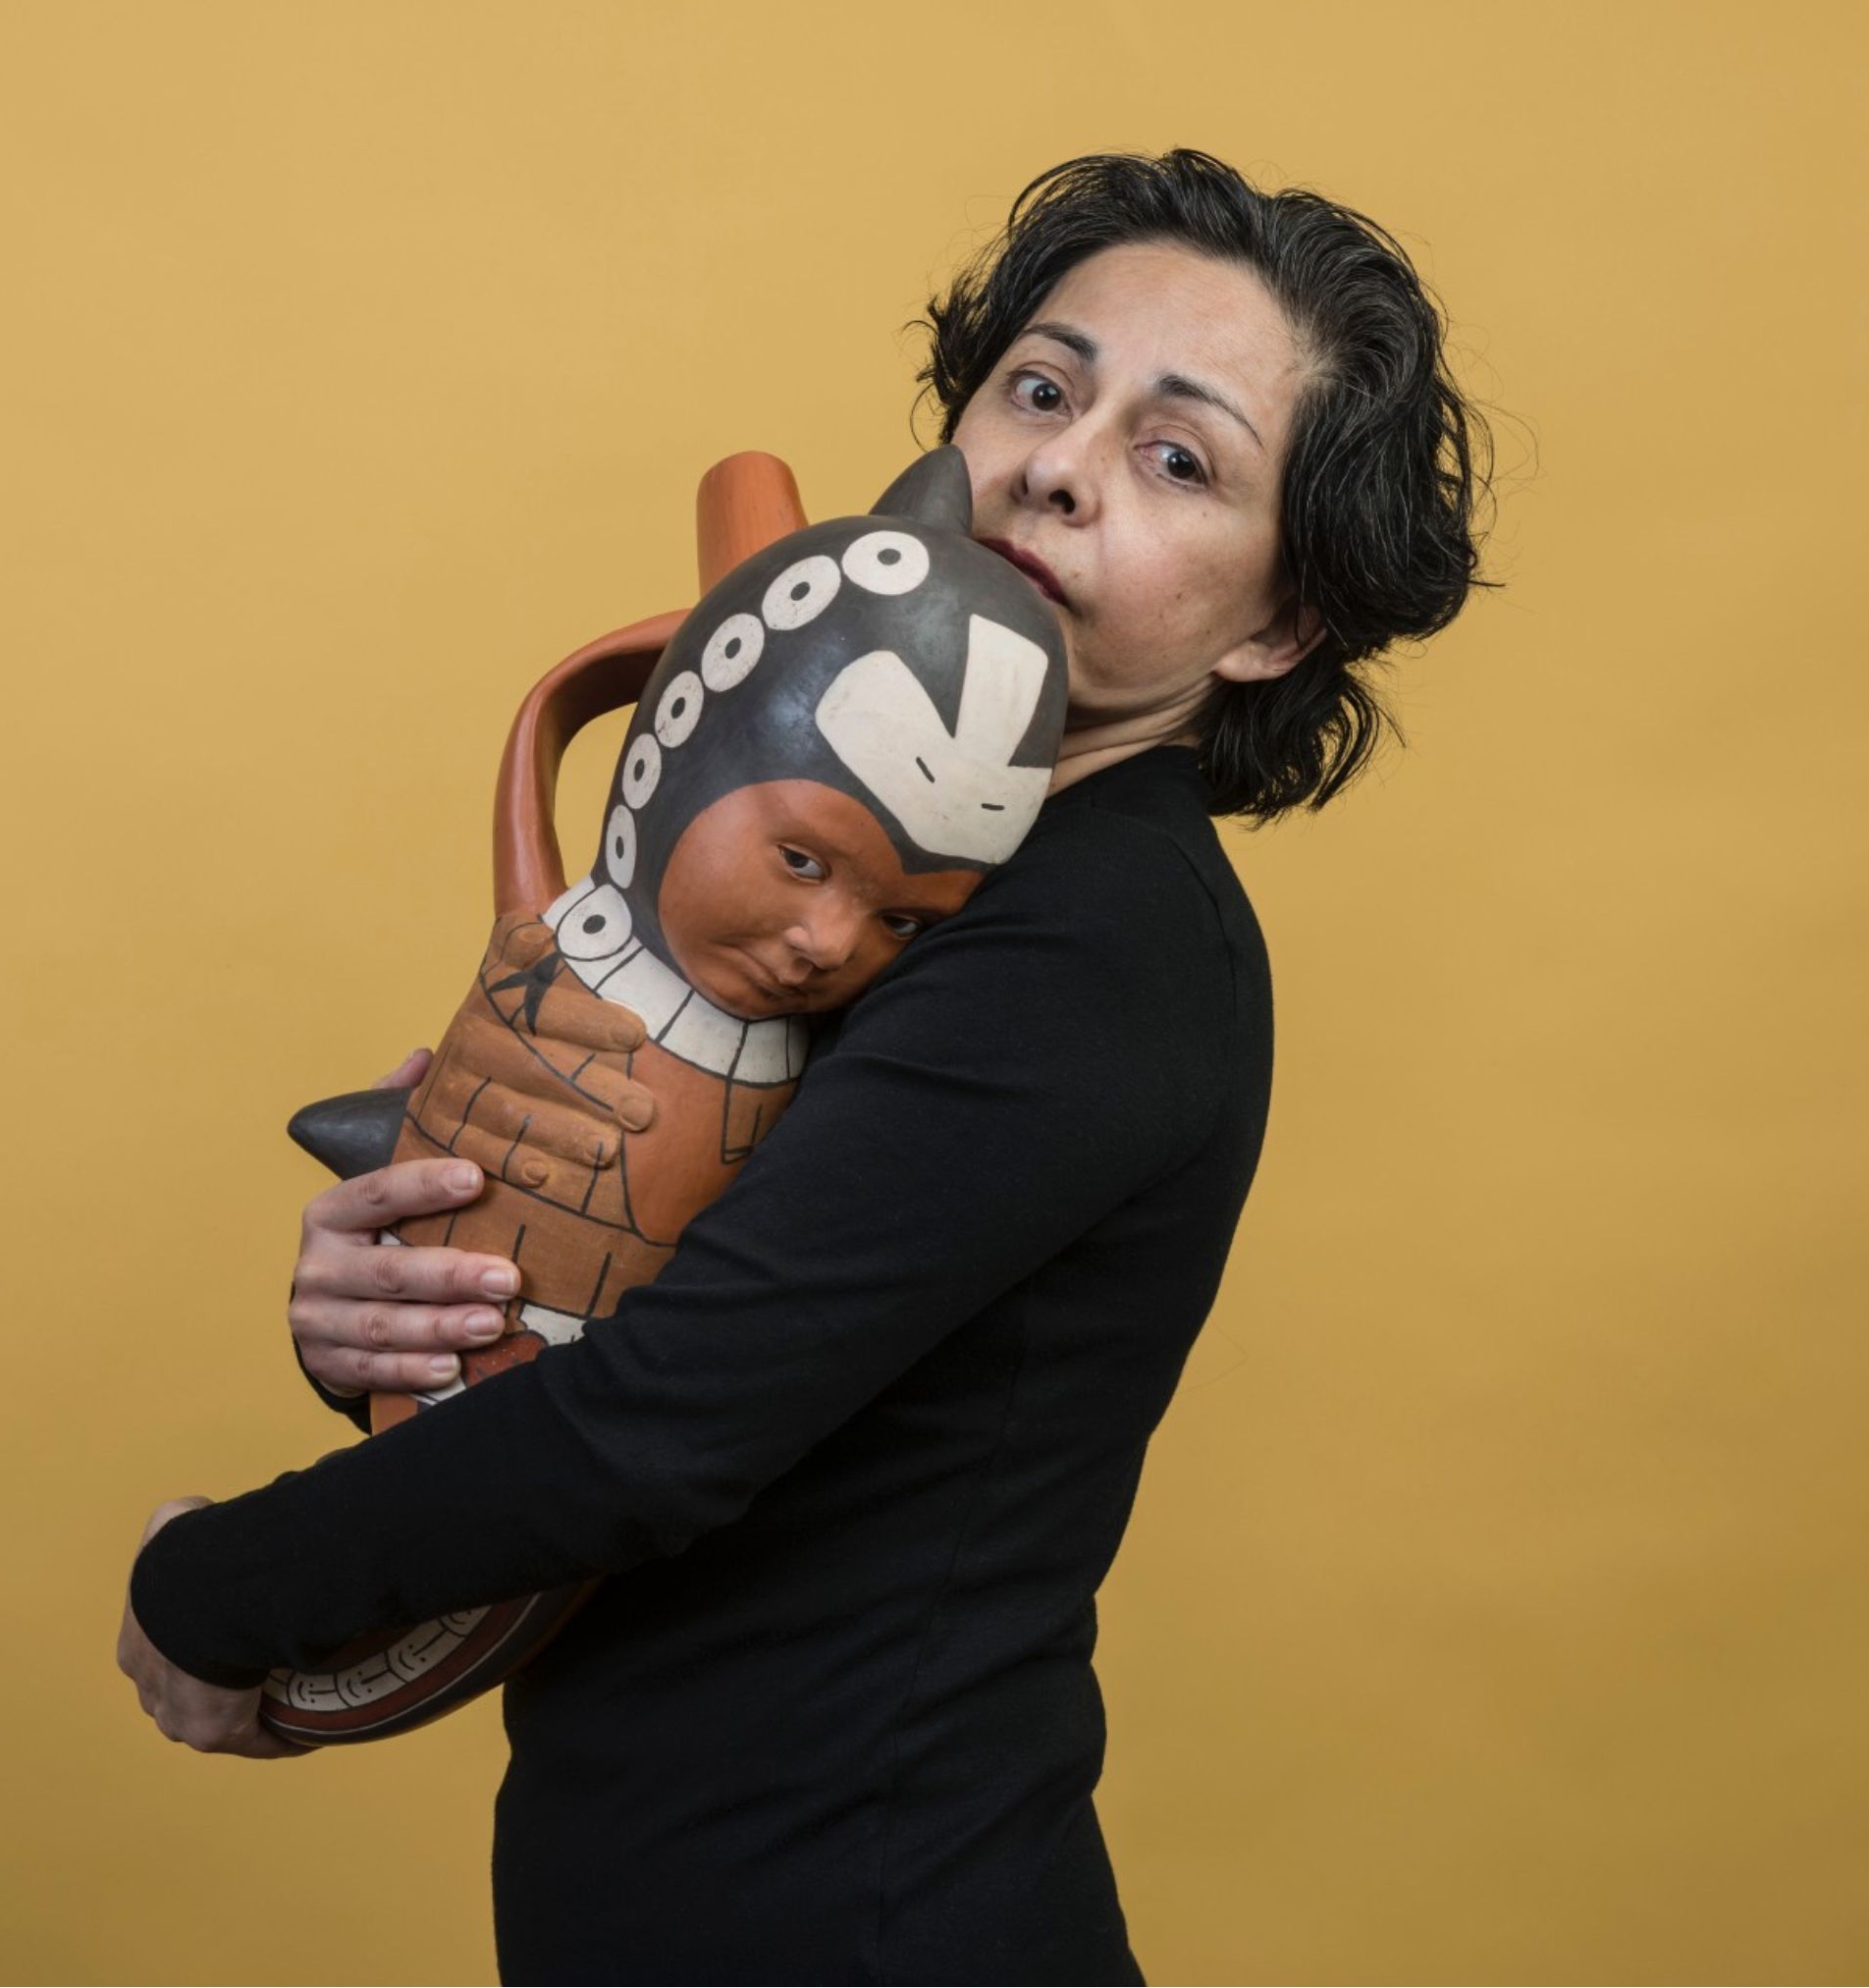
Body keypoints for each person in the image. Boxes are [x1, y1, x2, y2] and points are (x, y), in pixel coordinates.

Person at [119, 149, 1491, 1985]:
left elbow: (661, 1427)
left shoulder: (1098, 940)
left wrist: (207, 1599)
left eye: (1181, 458)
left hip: (863, 1917)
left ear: (1272, 623)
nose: (1061, 464)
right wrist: (393, 1306)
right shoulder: (882, 875)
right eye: (1041, 385)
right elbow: (671, 1304)